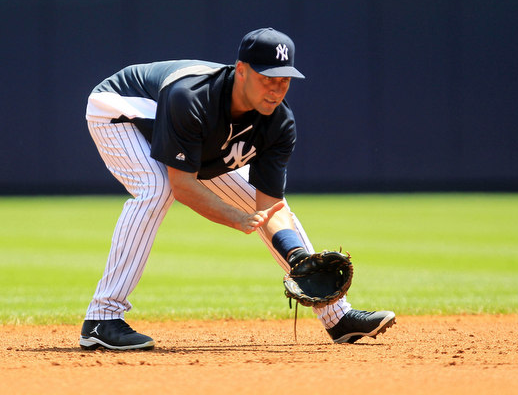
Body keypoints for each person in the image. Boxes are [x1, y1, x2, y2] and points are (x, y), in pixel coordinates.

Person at [80, 27, 395, 350]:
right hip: (122, 113)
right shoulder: (191, 97)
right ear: (241, 71)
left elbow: (270, 205)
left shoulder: (278, 122)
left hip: (192, 137)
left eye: (283, 82)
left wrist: (296, 254)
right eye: (267, 79)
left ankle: (337, 317)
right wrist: (235, 218)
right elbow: (183, 186)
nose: (275, 90)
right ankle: (102, 318)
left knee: (263, 205)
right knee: (157, 188)